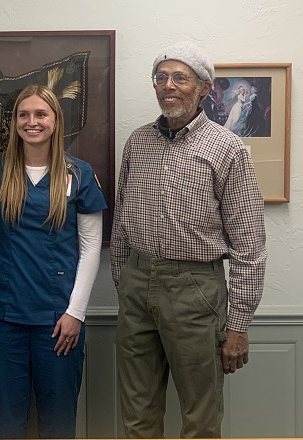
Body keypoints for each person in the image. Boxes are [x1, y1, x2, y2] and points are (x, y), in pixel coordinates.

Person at [111, 41, 267, 438]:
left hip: (195, 289)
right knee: (137, 414)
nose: (169, 85)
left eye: (180, 77)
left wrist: (238, 326)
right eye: (161, 77)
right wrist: (125, 281)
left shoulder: (227, 148)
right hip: (136, 285)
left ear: (204, 88)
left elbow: (249, 246)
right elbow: (122, 221)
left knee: (200, 418)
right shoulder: (138, 143)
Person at [0, 84, 106, 438]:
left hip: (58, 320)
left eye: (41, 114)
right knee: (4, 423)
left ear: (56, 121)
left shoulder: (79, 175)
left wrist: (76, 312)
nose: (32, 122)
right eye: (23, 114)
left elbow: (91, 248)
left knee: (58, 422)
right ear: (13, 122)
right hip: (2, 315)